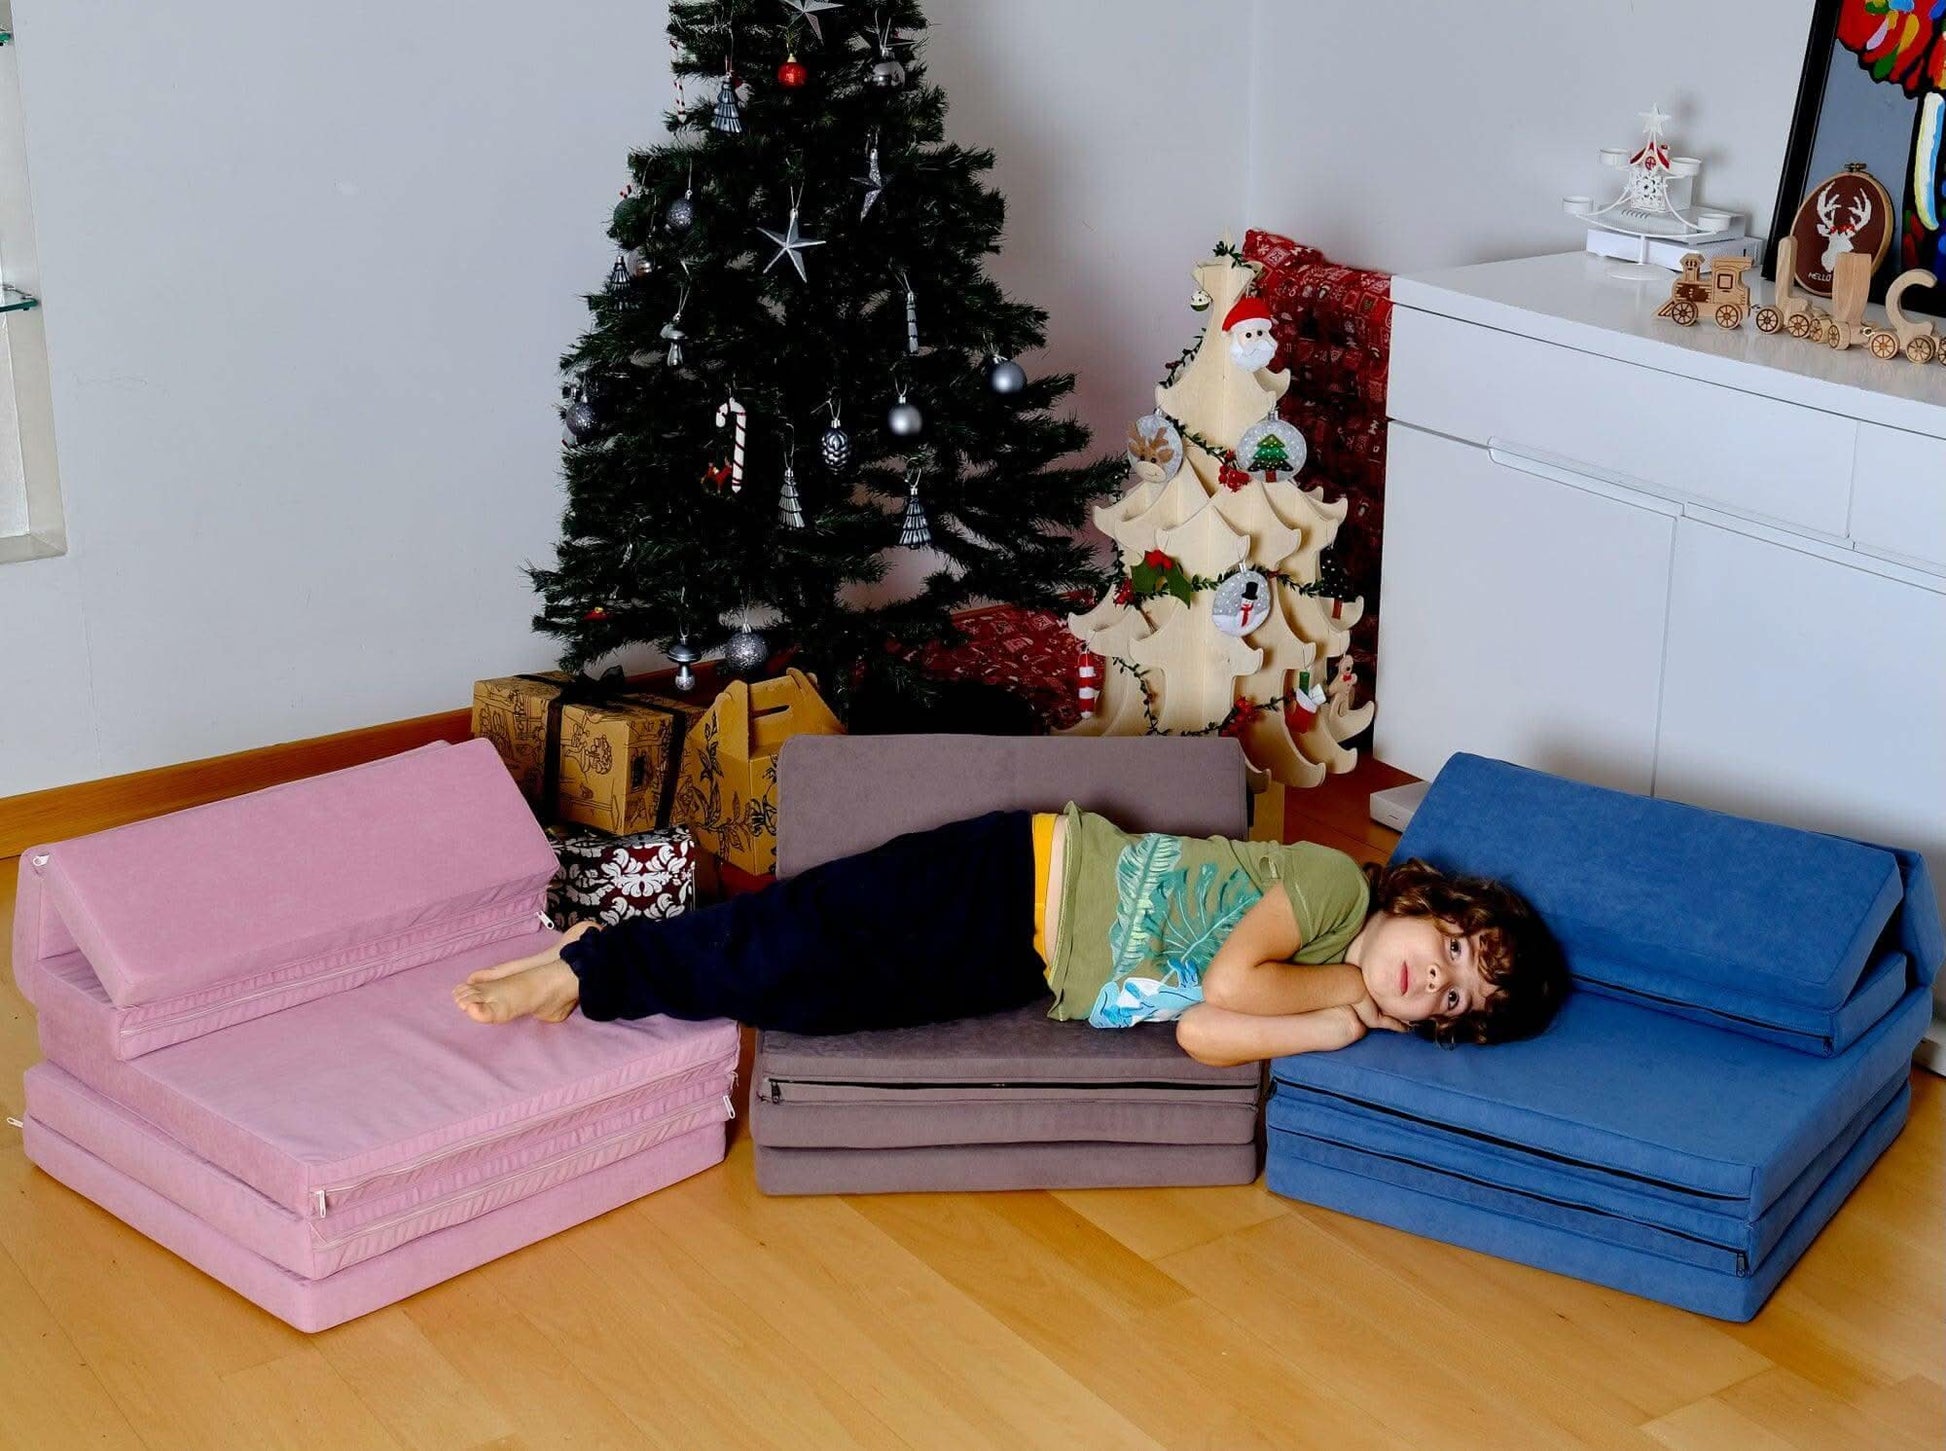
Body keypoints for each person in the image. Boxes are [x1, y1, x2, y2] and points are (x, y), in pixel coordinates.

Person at [454, 806, 1567, 1065]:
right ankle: (587, 973)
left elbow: (1202, 1033)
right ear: (1420, 899)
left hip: (1018, 963)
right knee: (795, 937)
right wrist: (1340, 999)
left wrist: (1331, 1029)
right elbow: (1233, 976)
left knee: (813, 995)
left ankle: (601, 945)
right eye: (1452, 948)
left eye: (1452, 998)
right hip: (1015, 877)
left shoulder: (1323, 997)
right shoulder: (1330, 889)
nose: (1434, 978)